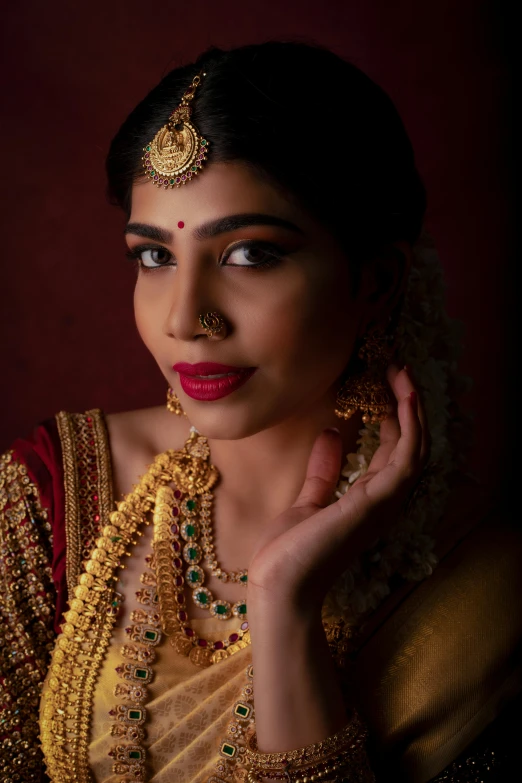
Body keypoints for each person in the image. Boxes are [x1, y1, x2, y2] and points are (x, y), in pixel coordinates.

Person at [0, 41, 519, 783]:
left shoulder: (480, 588)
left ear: (374, 280)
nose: (185, 318)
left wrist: (286, 610)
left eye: (249, 254)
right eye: (154, 257)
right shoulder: (49, 499)